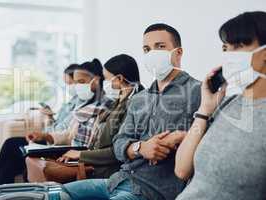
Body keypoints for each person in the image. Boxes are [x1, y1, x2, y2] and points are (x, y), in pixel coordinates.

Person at [63, 23, 201, 200]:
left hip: (152, 191)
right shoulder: (139, 98)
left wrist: (182, 136)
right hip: (117, 181)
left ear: (178, 53)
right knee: (55, 193)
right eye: (146, 49)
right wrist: (140, 147)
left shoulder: (198, 92)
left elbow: (209, 141)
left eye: (160, 46)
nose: (152, 53)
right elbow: (119, 141)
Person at [175, 11, 266, 200]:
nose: (229, 55)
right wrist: (204, 110)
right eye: (225, 48)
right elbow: (182, 169)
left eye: (238, 46)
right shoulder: (228, 102)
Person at [0, 59, 112, 185]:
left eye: (79, 82)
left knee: (13, 147)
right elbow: (69, 133)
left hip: (71, 149)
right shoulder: (83, 103)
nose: (76, 87)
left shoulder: (102, 106)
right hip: (64, 145)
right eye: (75, 82)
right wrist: (46, 134)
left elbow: (78, 138)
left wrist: (49, 130)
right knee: (13, 151)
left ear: (96, 80)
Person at [56, 54, 144, 179]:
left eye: (107, 79)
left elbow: (118, 151)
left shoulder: (135, 104)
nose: (104, 83)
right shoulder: (117, 102)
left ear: (119, 78)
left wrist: (81, 155)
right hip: (97, 164)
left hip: (110, 171)